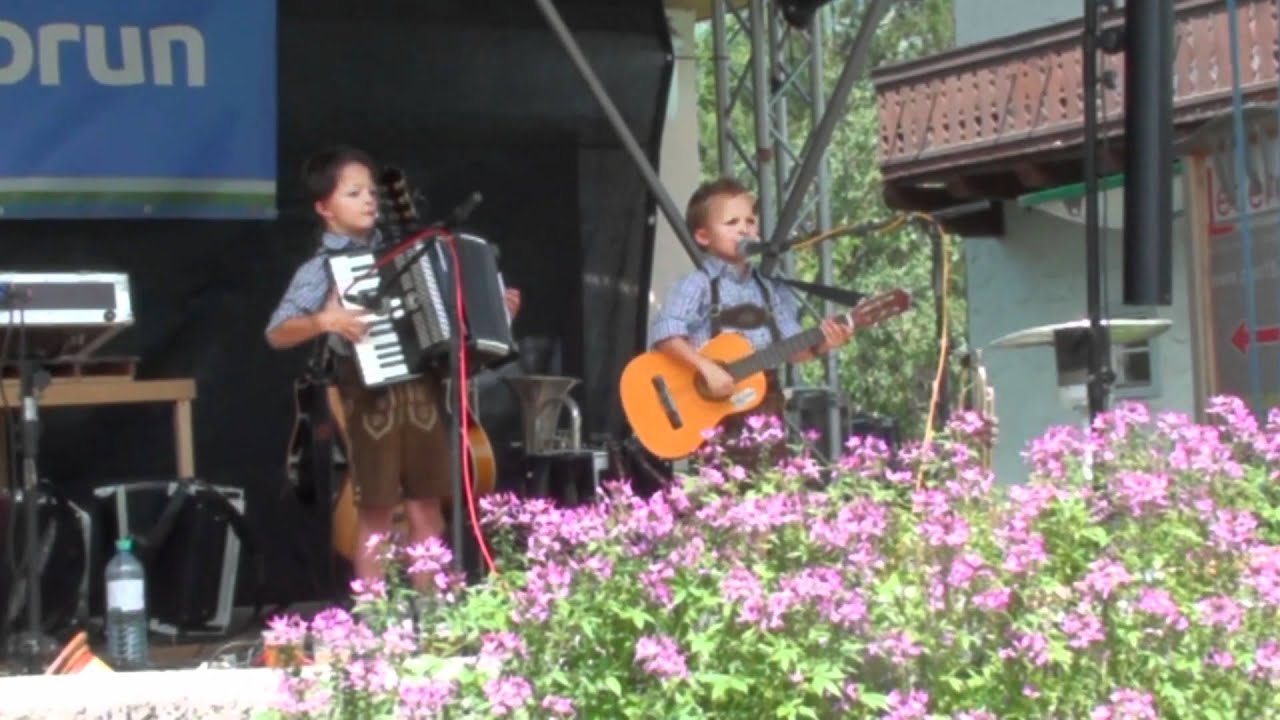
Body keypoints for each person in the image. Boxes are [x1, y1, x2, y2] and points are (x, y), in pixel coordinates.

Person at [265, 145, 520, 583]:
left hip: (420, 390)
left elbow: (443, 320)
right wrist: (327, 319)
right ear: (324, 208)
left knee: (427, 507)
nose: (368, 200)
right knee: (378, 512)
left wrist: (493, 314)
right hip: (369, 397)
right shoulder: (322, 268)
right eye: (353, 193)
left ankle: (432, 618)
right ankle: (375, 622)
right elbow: (277, 331)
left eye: (370, 192)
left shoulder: (408, 250)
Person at [648, 176, 851, 462]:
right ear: (703, 236)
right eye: (731, 223)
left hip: (765, 404)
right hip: (713, 409)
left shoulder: (771, 289)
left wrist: (823, 344)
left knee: (771, 484)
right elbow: (665, 334)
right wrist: (706, 368)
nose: (744, 229)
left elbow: (792, 350)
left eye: (750, 221)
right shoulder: (697, 285)